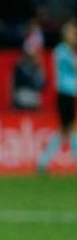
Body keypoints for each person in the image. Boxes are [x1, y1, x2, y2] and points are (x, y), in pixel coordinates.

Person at [37, 20, 77, 172]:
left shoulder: (69, 51)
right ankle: (44, 161)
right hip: (64, 92)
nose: (75, 36)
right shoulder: (62, 51)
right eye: (73, 33)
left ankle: (43, 162)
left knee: (65, 130)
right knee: (70, 128)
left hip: (70, 93)